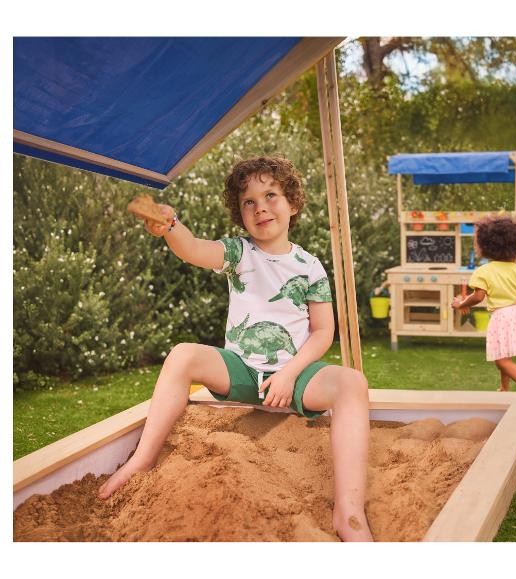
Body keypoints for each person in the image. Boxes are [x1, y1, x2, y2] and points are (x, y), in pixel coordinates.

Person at [99, 156, 373, 541]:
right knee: (182, 354)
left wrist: (289, 373)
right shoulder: (239, 253)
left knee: (352, 383)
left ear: (292, 204)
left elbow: (323, 331)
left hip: (293, 379)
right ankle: (143, 460)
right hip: (241, 372)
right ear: (240, 214)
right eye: (249, 201)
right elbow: (193, 249)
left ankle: (348, 509)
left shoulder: (310, 267)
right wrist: (171, 226)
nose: (260, 206)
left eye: (271, 195)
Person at [451, 215, 516, 393]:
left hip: (502, 317)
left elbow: (478, 297)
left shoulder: (484, 272)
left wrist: (461, 303)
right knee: (504, 354)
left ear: (487, 246)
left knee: (501, 359)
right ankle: (504, 388)